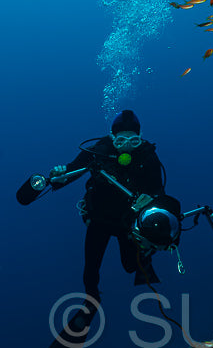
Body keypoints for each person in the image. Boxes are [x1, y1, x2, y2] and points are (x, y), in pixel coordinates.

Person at [49, 110, 167, 301]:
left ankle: (144, 258)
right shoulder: (99, 151)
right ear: (112, 137)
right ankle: (91, 298)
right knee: (91, 268)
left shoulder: (148, 156)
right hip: (99, 219)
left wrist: (151, 199)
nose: (127, 147)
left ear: (141, 137)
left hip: (127, 223)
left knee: (130, 266)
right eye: (120, 141)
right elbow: (70, 173)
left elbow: (159, 192)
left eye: (133, 141)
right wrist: (58, 176)